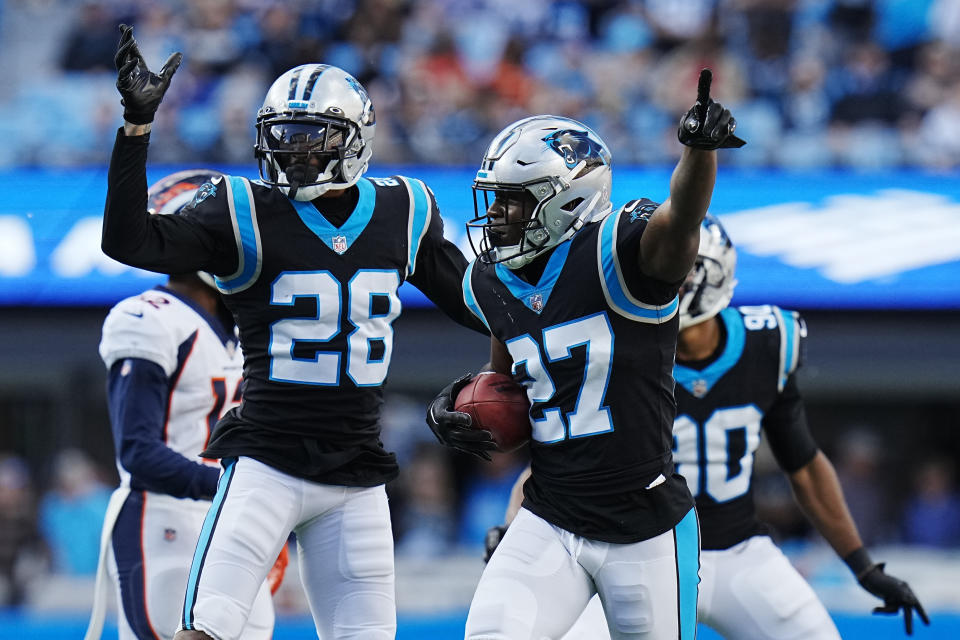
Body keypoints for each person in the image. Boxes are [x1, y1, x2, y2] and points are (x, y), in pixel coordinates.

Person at [103, 25, 483, 640]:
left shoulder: (403, 209)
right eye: (283, 136)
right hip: (264, 464)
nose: (294, 152)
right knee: (206, 631)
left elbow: (476, 303)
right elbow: (127, 240)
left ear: (354, 138)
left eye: (312, 137)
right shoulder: (240, 207)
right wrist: (136, 128)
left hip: (356, 475)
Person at [494, 215, 931, 639]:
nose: (665, 278)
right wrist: (517, 527)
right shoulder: (616, 349)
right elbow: (563, 455)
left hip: (738, 554)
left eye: (680, 268)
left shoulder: (767, 342)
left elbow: (804, 464)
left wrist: (863, 567)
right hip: (636, 550)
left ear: (711, 273)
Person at [427, 70, 744, 639]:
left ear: (566, 199)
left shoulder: (620, 252)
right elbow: (512, 393)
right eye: (494, 203)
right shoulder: (496, 281)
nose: (496, 217)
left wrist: (699, 153)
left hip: (644, 524)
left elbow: (681, 221)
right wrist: (459, 407)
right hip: (552, 514)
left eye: (513, 205)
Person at [85, 170, 284, 640]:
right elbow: (138, 451)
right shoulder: (151, 318)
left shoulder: (248, 326)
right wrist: (238, 490)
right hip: (167, 515)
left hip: (232, 520)